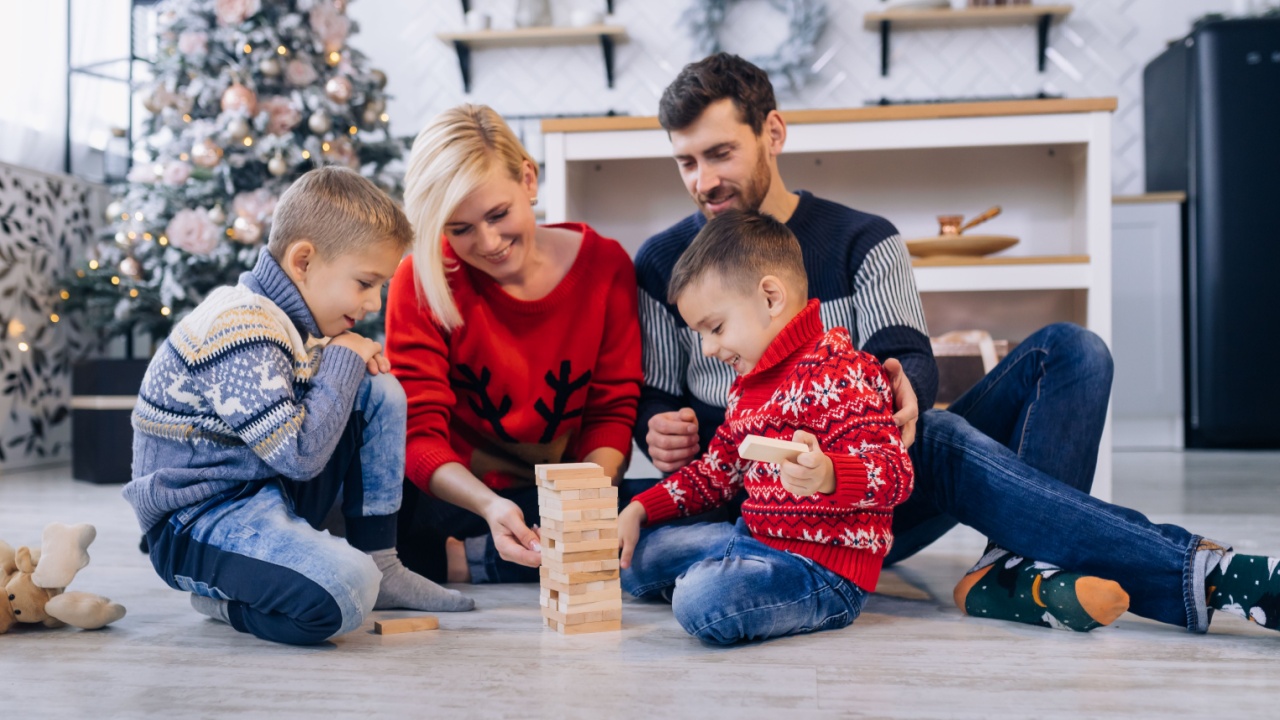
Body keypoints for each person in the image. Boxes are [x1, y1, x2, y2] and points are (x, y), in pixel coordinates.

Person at [633, 53, 1280, 637]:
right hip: (755, 516)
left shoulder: (863, 239)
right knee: (941, 439)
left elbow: (907, 356)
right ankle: (1143, 573)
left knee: (1071, 354)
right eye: (686, 162)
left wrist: (901, 384)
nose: (704, 180)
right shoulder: (665, 265)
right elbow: (655, 399)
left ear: (772, 134)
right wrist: (657, 427)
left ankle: (1017, 567)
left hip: (871, 491)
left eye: (720, 154)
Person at [125, 167, 473, 647]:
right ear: (303, 261)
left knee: (379, 391)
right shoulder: (241, 326)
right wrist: (345, 357)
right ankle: (226, 602)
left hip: (264, 489)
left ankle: (382, 560)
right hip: (196, 521)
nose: (374, 302)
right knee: (344, 593)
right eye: (365, 282)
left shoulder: (294, 322)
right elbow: (299, 457)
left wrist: (344, 359)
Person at [618, 209, 919, 644]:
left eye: (715, 328)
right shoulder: (744, 388)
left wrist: (830, 474)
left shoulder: (845, 372)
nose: (707, 348)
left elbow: (897, 474)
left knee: (698, 602)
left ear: (771, 298)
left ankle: (719, 585)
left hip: (825, 570)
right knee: (635, 560)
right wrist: (639, 508)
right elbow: (714, 473)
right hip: (754, 539)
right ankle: (725, 580)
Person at [388, 104, 643, 585]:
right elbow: (419, 436)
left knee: (649, 520)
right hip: (461, 500)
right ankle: (485, 555)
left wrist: (580, 506)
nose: (487, 243)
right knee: (392, 531)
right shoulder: (420, 281)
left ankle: (466, 562)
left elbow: (612, 412)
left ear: (528, 179)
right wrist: (489, 505)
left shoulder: (607, 266)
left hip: (564, 492)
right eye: (458, 229)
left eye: (498, 214)